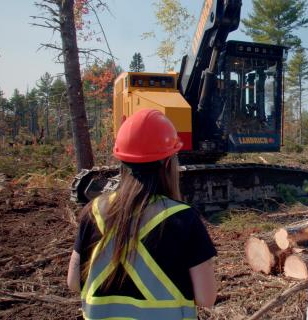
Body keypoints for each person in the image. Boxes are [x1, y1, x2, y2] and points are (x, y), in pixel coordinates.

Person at [67, 109, 217, 319]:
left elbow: (73, 282)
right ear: (167, 163)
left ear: (122, 162)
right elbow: (206, 298)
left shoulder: (93, 212)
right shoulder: (183, 219)